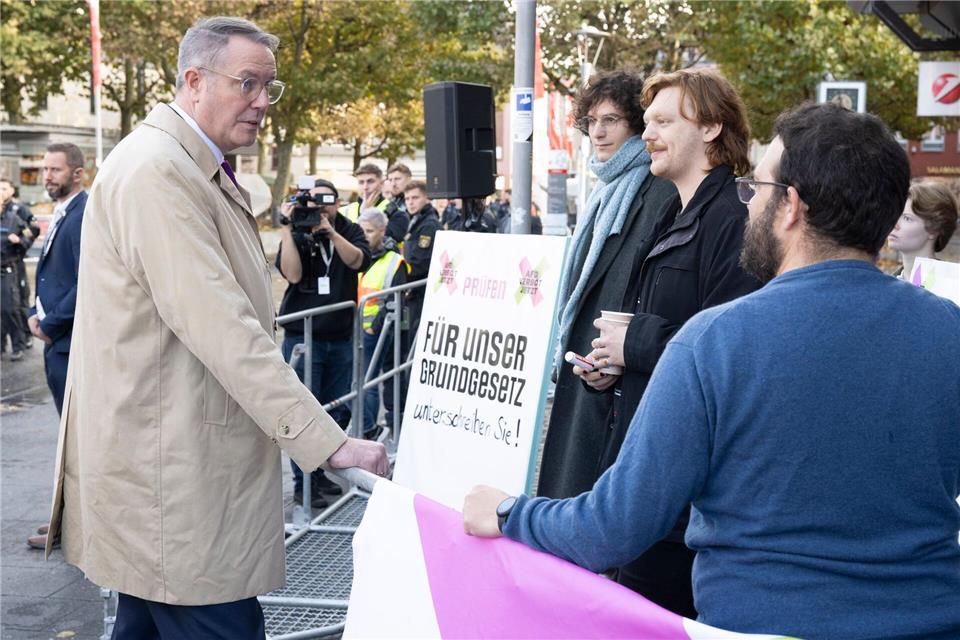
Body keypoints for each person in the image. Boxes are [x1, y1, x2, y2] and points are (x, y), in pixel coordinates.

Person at [465, 102, 960, 640]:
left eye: (757, 190)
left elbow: (613, 527)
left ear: (790, 207)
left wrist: (511, 513)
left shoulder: (714, 341)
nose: (747, 206)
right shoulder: (948, 329)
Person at [45, 17, 388, 639]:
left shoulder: (183, 161)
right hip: (174, 483)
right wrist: (327, 442)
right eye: (248, 83)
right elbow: (223, 326)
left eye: (270, 88)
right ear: (194, 81)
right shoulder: (160, 170)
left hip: (169, 475)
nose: (262, 103)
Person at [564, 68, 761, 615]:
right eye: (646, 121)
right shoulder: (677, 212)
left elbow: (731, 352)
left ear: (713, 128)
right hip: (652, 483)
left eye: (664, 121)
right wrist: (614, 365)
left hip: (687, 501)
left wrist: (637, 345)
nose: (647, 133)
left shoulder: (734, 219)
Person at [535, 69, 676, 559]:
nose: (598, 131)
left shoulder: (657, 191)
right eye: (591, 121)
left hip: (613, 374)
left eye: (612, 120)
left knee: (592, 523)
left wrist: (614, 356)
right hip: (589, 364)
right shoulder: (609, 189)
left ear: (638, 126)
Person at [277, 177, 372, 508]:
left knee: (337, 410)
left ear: (337, 202)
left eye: (328, 202)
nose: (320, 209)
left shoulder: (347, 227)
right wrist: (290, 229)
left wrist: (331, 232)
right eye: (314, 202)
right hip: (303, 338)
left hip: (340, 337)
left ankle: (318, 474)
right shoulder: (298, 227)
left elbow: (359, 261)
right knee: (304, 414)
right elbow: (291, 274)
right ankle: (305, 484)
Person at [28, 143, 87, 415]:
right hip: (56, 344)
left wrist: (49, 326)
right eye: (45, 169)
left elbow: (85, 281)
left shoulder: (82, 214)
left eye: (55, 170)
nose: (47, 176)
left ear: (77, 174)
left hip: (71, 346)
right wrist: (32, 311)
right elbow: (50, 276)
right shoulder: (62, 210)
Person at [357, 208, 407, 438]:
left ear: (383, 231)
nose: (365, 235)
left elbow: (394, 297)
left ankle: (369, 431)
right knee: (358, 380)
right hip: (353, 327)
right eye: (361, 230)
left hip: (376, 328)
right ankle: (363, 426)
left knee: (369, 380)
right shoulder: (356, 253)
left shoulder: (394, 260)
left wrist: (374, 325)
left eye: (370, 231)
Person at [887, 181, 958, 279]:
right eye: (895, 215)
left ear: (934, 229)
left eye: (907, 218)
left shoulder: (952, 286)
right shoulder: (887, 286)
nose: (894, 224)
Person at [0, 178, 39, 348]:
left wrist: (21, 244)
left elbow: (32, 230)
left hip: (16, 262)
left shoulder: (19, 210)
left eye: (4, 188)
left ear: (12, 190)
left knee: (20, 299)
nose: (1, 191)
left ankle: (25, 334)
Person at [401, 180, 441, 344]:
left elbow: (420, 262)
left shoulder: (428, 224)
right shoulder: (416, 220)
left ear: (426, 197)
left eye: (415, 197)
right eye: (407, 198)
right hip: (413, 290)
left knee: (413, 338)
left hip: (420, 291)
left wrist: (401, 277)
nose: (410, 202)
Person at [382, 162, 412, 244]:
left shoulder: (416, 203)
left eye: (397, 179)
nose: (393, 184)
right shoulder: (391, 203)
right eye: (390, 180)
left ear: (409, 179)